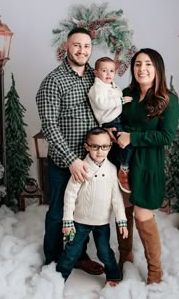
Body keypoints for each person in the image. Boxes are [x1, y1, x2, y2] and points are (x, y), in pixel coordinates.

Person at [36, 27, 104, 275]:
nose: (82, 50)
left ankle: (78, 256)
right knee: (57, 214)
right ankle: (52, 261)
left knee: (82, 212)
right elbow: (49, 127)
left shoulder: (93, 77)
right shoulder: (53, 81)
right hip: (64, 163)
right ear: (66, 46)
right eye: (77, 45)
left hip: (90, 161)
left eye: (86, 46)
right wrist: (71, 161)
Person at [114, 48, 179, 284]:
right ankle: (125, 257)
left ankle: (155, 271)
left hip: (147, 166)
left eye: (148, 64)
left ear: (157, 68)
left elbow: (166, 137)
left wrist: (132, 137)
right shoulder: (126, 94)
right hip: (121, 162)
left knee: (142, 214)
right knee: (122, 211)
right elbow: (115, 122)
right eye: (138, 64)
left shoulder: (167, 99)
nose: (142, 69)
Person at [56, 127, 128, 286]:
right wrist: (68, 221)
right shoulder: (82, 167)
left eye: (104, 146)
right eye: (95, 146)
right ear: (87, 146)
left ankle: (114, 276)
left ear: (110, 146)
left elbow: (116, 198)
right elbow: (70, 195)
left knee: (104, 252)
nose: (100, 151)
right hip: (80, 222)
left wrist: (121, 221)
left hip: (102, 223)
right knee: (71, 252)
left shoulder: (111, 169)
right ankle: (57, 280)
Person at [88, 57, 133, 193]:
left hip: (118, 119)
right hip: (110, 122)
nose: (108, 74)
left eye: (112, 71)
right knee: (127, 144)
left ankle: (122, 167)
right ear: (96, 73)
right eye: (104, 70)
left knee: (129, 140)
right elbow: (102, 104)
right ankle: (124, 169)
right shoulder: (97, 87)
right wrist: (122, 100)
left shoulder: (111, 85)